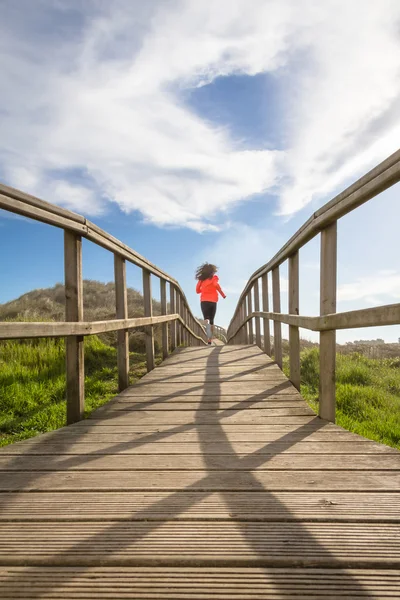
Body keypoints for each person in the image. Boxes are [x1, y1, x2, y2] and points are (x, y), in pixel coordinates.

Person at [195, 263, 226, 345]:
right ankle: (210, 339)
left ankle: (208, 337)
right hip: (213, 301)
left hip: (204, 301)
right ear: (212, 271)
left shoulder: (201, 280)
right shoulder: (214, 278)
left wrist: (204, 289)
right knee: (212, 320)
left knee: (206, 319)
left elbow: (197, 291)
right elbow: (216, 285)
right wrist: (223, 295)